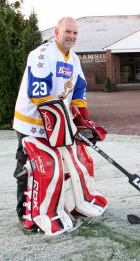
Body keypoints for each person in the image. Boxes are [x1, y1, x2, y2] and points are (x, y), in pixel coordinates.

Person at [13, 17, 106, 232]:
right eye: (67, 32)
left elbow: (79, 90)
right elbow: (38, 92)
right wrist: (59, 120)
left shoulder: (73, 59)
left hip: (56, 124)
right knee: (30, 168)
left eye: (75, 33)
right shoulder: (41, 54)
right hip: (31, 124)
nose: (71, 36)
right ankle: (25, 214)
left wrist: (81, 118)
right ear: (57, 32)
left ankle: (56, 208)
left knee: (60, 167)